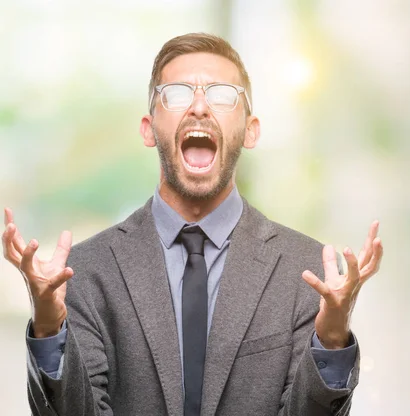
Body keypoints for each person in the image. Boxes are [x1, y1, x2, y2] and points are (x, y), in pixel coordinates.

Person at [2, 33, 383, 416]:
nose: (199, 106)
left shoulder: (305, 271)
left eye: (221, 95)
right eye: (178, 93)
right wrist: (50, 328)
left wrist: (332, 338)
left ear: (251, 130)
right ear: (149, 129)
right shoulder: (85, 272)